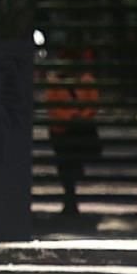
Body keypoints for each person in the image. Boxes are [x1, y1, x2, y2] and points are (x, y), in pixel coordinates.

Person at [45, 48, 100, 215]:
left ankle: (71, 196)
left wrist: (80, 117)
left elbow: (94, 103)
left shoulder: (87, 80)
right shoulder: (55, 82)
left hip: (79, 130)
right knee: (65, 164)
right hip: (61, 130)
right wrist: (71, 117)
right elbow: (51, 106)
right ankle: (70, 197)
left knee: (74, 163)